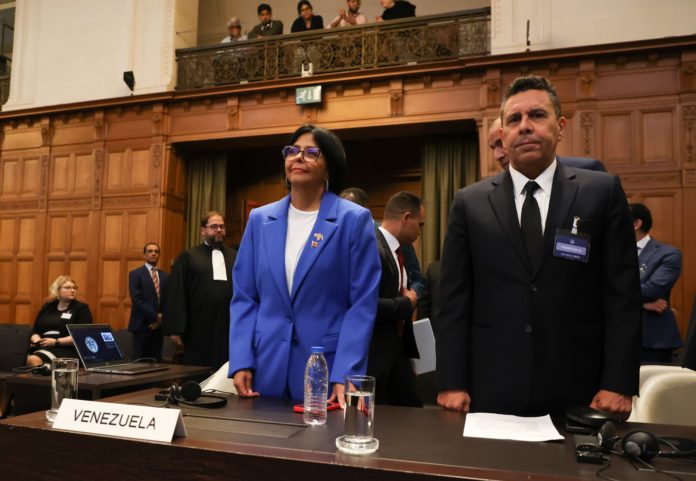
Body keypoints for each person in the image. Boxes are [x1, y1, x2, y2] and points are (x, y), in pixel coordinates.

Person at [437, 75, 642, 418]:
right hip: (491, 387)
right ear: (503, 134)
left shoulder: (601, 192)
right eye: (514, 119)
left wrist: (619, 383)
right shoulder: (469, 203)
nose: (525, 126)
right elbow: (453, 301)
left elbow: (623, 295)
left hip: (582, 388)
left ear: (560, 127)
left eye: (537, 115)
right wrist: (451, 381)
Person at [229, 124, 380, 403]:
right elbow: (244, 297)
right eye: (292, 151)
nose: (298, 157)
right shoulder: (260, 220)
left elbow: (362, 304)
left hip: (326, 370)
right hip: (264, 366)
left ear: (330, 167)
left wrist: (346, 371)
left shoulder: (353, 220)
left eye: (311, 152)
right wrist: (241, 360)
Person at [368, 191, 424, 407]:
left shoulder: (399, 251)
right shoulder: (374, 248)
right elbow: (366, 305)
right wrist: (407, 303)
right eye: (419, 224)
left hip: (396, 351)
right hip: (376, 356)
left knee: (412, 410)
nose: (420, 231)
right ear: (406, 218)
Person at [162, 212, 237, 369]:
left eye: (222, 226)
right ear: (203, 230)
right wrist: (176, 330)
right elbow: (177, 293)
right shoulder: (188, 256)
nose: (219, 230)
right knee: (197, 370)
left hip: (229, 325)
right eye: (214, 226)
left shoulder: (235, 256)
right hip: (197, 326)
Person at [340, 187, 426, 295]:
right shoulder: (340, 238)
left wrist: (412, 296)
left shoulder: (401, 240)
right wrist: (405, 302)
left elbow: (415, 279)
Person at [629, 203, 683, 364]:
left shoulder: (668, 254)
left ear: (636, 224)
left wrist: (616, 293)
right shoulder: (611, 252)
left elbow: (653, 289)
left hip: (651, 338)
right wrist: (643, 304)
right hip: (613, 336)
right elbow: (596, 288)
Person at [488, 117, 606, 172]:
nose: (497, 156)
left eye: (501, 142)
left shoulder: (589, 170)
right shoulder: (489, 192)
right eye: (493, 148)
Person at [26, 276, 93, 367]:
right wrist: (37, 340)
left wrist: (56, 341)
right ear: (57, 290)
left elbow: (82, 335)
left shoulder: (81, 308)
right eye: (67, 288)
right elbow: (35, 330)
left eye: (74, 288)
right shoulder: (48, 307)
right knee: (29, 358)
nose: (72, 290)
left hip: (67, 348)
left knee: (33, 360)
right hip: (44, 346)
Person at [128, 243, 169, 360]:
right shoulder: (135, 274)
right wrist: (156, 316)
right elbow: (137, 299)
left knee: (156, 362)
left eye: (156, 251)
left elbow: (168, 300)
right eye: (150, 251)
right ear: (144, 255)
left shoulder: (165, 276)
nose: (153, 254)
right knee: (140, 362)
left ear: (159, 255)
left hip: (158, 327)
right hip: (141, 325)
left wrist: (161, 318)